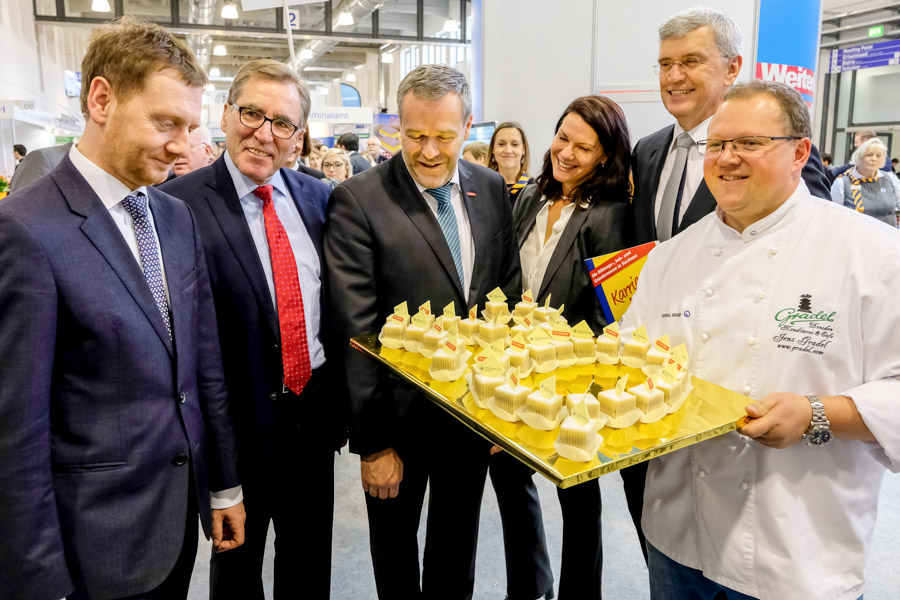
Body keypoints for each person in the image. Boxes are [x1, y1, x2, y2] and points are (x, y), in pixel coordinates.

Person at [623, 78, 900, 600]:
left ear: (799, 152)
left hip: (796, 548)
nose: (727, 159)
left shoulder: (875, 254)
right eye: (716, 144)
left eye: (749, 143)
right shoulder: (669, 257)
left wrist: (817, 413)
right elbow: (633, 358)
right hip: (677, 535)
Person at [0, 16, 244, 600]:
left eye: (190, 127)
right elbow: (15, 430)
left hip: (176, 526)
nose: (182, 146)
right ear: (101, 99)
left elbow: (202, 363)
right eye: (165, 123)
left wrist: (223, 486)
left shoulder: (175, 216)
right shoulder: (26, 231)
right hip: (90, 548)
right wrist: (38, 579)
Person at [627, 7, 831, 560]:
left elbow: (805, 254)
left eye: (691, 61)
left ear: (733, 67)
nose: (674, 76)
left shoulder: (780, 152)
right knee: (662, 538)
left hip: (755, 408)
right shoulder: (648, 150)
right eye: (665, 64)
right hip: (661, 391)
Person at [324, 64, 521, 599]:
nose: (429, 151)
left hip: (471, 416)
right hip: (396, 424)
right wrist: (373, 446)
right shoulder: (359, 200)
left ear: (469, 126)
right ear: (397, 126)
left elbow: (505, 297)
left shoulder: (490, 187)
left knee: (456, 554)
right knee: (395, 559)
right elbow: (355, 330)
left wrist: (502, 411)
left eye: (444, 136)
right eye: (414, 136)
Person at [160, 58, 341, 600]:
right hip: (233, 434)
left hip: (311, 423)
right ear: (225, 115)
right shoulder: (177, 205)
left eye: (282, 123)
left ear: (299, 138)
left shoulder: (320, 199)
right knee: (237, 577)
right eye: (252, 114)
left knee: (309, 570)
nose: (264, 133)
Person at [490, 95, 636, 600]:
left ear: (605, 157)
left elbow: (607, 316)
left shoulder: (612, 214)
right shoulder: (530, 197)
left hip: (572, 376)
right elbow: (508, 283)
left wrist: (566, 378)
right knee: (508, 478)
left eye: (584, 148)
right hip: (514, 366)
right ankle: (530, 585)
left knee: (578, 496)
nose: (567, 153)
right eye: (562, 138)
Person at [830, 137, 900, 226]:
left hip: (888, 233)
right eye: (869, 155)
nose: (874, 159)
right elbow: (833, 216)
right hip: (855, 233)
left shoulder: (890, 178)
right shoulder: (842, 182)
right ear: (859, 157)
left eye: (878, 156)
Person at [487, 121, 533, 204]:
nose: (508, 150)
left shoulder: (535, 190)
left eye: (515, 144)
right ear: (493, 149)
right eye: (501, 144)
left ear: (524, 149)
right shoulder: (482, 187)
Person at [8, 140, 74, 192]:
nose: (13, 154)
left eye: (13, 152)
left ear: (17, 152)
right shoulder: (33, 160)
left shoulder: (38, 159)